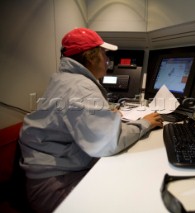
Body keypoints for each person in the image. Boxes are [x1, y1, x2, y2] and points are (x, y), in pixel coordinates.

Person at [19, 27, 163, 213]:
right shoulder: (81, 87)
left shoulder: (65, 79)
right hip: (55, 186)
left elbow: (74, 113)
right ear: (91, 56)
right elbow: (108, 144)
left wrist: (108, 114)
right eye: (104, 54)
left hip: (53, 174)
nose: (107, 60)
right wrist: (145, 123)